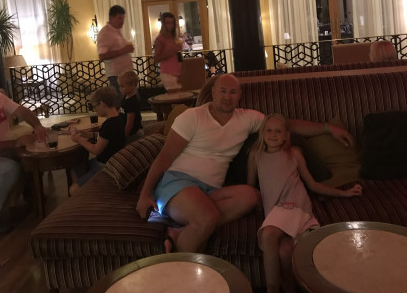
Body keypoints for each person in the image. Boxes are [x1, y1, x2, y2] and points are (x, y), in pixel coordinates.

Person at [136, 74, 354, 254]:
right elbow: (165, 157)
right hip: (178, 183)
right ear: (213, 92)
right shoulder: (192, 117)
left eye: (233, 92)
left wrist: (328, 128)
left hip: (211, 191)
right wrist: (145, 194)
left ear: (239, 95)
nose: (227, 97)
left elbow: (286, 125)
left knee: (251, 196)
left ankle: (178, 234)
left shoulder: (247, 119)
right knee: (207, 217)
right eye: (222, 91)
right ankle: (181, 274)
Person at [247, 113, 362, 293]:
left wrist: (343, 193)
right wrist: (254, 203)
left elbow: (313, 184)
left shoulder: (294, 154)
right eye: (269, 130)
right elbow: (250, 188)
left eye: (278, 131)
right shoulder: (255, 156)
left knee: (268, 234)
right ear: (262, 133)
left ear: (286, 135)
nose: (273, 134)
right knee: (284, 252)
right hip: (274, 211)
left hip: (294, 204)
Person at [0, 90, 48, 235]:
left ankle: (30, 193)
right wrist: (15, 143)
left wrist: (37, 126)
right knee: (10, 168)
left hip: (3, 151)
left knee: (33, 156)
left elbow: (23, 112)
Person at [69, 87, 125, 195]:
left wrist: (78, 139)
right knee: (76, 166)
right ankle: (86, 191)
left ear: (102, 104)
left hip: (105, 166)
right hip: (113, 162)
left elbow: (96, 150)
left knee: (73, 190)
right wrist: (86, 134)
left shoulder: (109, 124)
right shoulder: (118, 118)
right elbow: (106, 137)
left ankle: (84, 194)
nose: (95, 110)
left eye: (95, 106)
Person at [97, 5, 135, 94]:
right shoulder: (105, 33)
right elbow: (102, 56)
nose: (122, 21)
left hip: (126, 74)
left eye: (123, 18)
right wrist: (123, 50)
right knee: (120, 99)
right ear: (111, 18)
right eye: (119, 18)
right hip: (117, 76)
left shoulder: (117, 31)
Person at [154, 12, 182, 91]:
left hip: (178, 71)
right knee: (174, 96)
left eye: (172, 23)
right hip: (167, 72)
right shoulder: (160, 39)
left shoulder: (173, 37)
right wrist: (173, 51)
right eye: (167, 23)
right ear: (163, 24)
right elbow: (157, 58)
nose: (170, 25)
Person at [118, 70, 144, 142]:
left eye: (122, 86)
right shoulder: (126, 96)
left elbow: (130, 124)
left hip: (133, 133)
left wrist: (123, 138)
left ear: (133, 86)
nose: (120, 89)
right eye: (119, 86)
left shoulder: (131, 102)